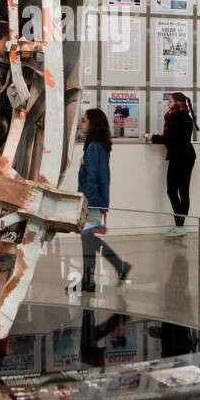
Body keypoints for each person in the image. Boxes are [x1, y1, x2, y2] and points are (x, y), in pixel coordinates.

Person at [76, 109, 131, 292]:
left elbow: (92, 178)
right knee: (88, 240)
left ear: (93, 125)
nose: (80, 124)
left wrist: (90, 204)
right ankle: (90, 279)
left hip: (91, 201)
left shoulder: (93, 148)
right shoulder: (97, 146)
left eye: (84, 121)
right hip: (93, 200)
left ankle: (116, 267)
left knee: (88, 239)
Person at [147, 93, 198, 240]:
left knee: (173, 191)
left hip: (179, 157)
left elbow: (170, 139)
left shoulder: (176, 117)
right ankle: (180, 226)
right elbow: (176, 138)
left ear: (177, 102)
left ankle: (180, 227)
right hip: (187, 156)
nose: (167, 104)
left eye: (169, 101)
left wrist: (152, 138)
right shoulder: (185, 116)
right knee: (183, 192)